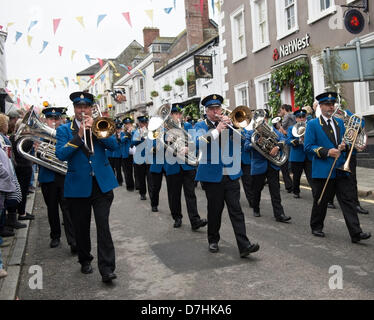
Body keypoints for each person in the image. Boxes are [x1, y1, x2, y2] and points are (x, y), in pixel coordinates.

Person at [55, 91, 119, 283]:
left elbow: (114, 146)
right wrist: (79, 136)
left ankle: (107, 268)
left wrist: (97, 132)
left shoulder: (99, 124)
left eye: (86, 107)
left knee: (103, 227)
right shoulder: (64, 129)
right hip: (77, 186)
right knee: (81, 228)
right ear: (74, 109)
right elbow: (61, 154)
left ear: (91, 108)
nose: (82, 110)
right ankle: (85, 259)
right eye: (79, 107)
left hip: (101, 185)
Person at [194, 94, 259, 258]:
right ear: (207, 111)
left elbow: (243, 141)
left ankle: (244, 246)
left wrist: (234, 128)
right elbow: (198, 144)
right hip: (211, 175)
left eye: (218, 108)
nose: (216, 111)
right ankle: (213, 239)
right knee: (215, 211)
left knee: (236, 210)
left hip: (230, 173)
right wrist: (217, 130)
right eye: (213, 109)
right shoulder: (200, 125)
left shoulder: (231, 124)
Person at [304, 92, 371, 243]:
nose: (330, 107)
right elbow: (308, 147)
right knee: (320, 201)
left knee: (347, 201)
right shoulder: (313, 124)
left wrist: (345, 145)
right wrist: (327, 152)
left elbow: (346, 142)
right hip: (323, 170)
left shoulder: (340, 123)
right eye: (327, 104)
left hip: (340, 168)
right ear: (320, 107)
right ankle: (316, 226)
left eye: (332, 104)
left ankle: (356, 233)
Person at [163, 103, 207, 230]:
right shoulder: (164, 128)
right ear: (170, 116)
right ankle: (177, 217)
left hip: (188, 165)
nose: (178, 116)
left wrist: (189, 148)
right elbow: (158, 146)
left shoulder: (188, 126)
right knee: (174, 194)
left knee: (191, 194)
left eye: (179, 113)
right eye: (175, 114)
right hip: (173, 165)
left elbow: (194, 143)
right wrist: (168, 140)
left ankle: (195, 220)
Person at [38, 106, 76, 252]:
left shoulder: (67, 132)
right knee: (52, 208)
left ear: (61, 119)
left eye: (56, 118)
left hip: (64, 176)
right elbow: (32, 156)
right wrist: (37, 150)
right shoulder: (40, 134)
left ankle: (73, 241)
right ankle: (55, 236)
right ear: (45, 120)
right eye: (50, 118)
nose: (53, 121)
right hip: (47, 177)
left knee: (67, 209)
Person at [244, 109, 291, 222]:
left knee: (275, 190)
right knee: (257, 189)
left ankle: (279, 214)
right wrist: (255, 143)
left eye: (265, 119)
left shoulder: (273, 130)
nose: (263, 122)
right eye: (261, 120)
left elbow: (284, 139)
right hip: (258, 166)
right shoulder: (251, 133)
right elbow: (246, 147)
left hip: (272, 164)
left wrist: (277, 147)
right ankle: (256, 208)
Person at [286, 109, 313, 199]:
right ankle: (296, 191)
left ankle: (315, 191)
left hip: (308, 155)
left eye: (303, 117)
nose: (301, 119)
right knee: (297, 176)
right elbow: (288, 140)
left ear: (305, 118)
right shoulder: (291, 128)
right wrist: (297, 141)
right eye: (299, 117)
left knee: (311, 176)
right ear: (296, 118)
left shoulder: (309, 127)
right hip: (297, 156)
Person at [132, 115, 151, 201]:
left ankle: (152, 195)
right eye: (142, 123)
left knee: (151, 179)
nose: (144, 124)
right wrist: (141, 136)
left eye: (145, 123)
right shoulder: (136, 132)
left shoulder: (151, 131)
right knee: (141, 178)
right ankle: (142, 193)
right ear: (139, 124)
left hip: (149, 158)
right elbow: (133, 142)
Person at [278, 104, 294, 193]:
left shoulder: (286, 116)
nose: (281, 111)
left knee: (284, 161)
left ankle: (289, 185)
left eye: (281, 110)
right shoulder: (294, 116)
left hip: (286, 139)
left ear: (284, 109)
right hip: (291, 138)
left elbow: (281, 128)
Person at [121, 116, 135, 191]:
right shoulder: (122, 133)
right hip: (126, 154)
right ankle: (130, 186)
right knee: (127, 172)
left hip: (134, 154)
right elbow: (122, 140)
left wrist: (131, 133)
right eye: (127, 124)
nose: (128, 125)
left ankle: (138, 186)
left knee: (136, 172)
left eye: (129, 123)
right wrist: (127, 134)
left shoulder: (134, 131)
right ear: (124, 125)